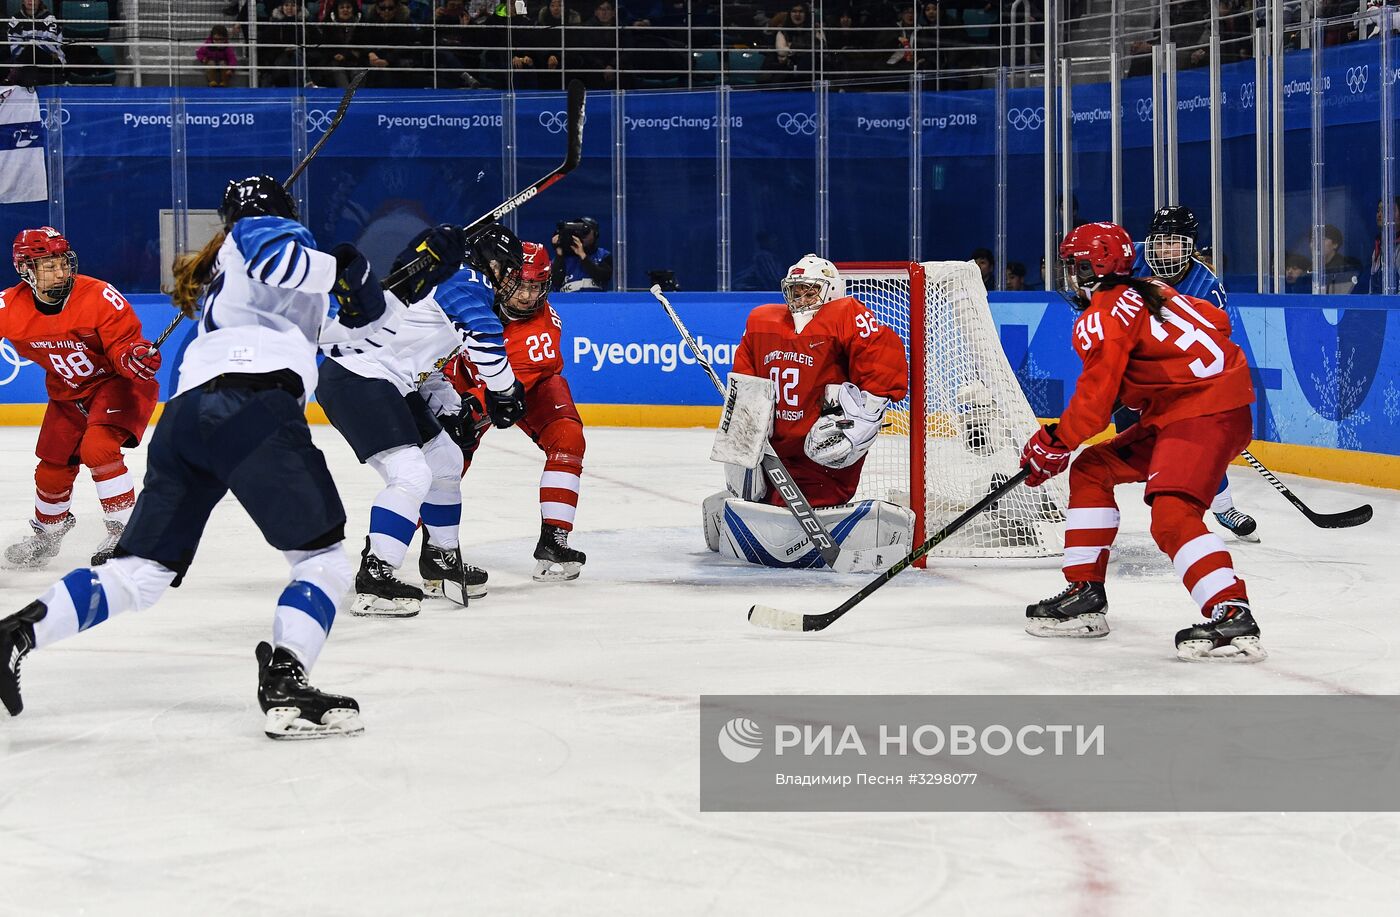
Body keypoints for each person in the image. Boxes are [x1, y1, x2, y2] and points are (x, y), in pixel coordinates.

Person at [0, 175, 399, 736]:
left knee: (138, 574)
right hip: (254, 407)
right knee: (322, 559)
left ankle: (15, 634)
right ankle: (286, 681)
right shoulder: (266, 235)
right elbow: (282, 258)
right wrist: (344, 269)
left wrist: (404, 278)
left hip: (188, 421)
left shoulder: (227, 279)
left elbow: (357, 326)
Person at [1020, 222, 1262, 662]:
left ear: (1091, 267)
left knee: (1172, 517)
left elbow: (1093, 408)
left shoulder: (1101, 316)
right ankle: (1085, 592)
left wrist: (1053, 441)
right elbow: (1217, 323)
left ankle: (1231, 612)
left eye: (1071, 265)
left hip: (1200, 414)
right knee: (1093, 468)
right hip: (1197, 409)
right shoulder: (1151, 289)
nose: (1067, 276)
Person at [317, 223, 527, 616]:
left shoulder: (444, 283)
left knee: (444, 461)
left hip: (384, 378)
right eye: (506, 268)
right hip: (358, 376)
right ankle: (376, 577)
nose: (508, 280)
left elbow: (418, 360)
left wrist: (450, 405)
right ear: (489, 262)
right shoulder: (463, 278)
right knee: (411, 473)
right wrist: (506, 390)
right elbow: (483, 336)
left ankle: (439, 561)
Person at [702, 255, 913, 568]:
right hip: (773, 453)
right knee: (755, 490)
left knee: (809, 499)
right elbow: (746, 388)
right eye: (795, 291)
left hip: (822, 454)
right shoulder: (762, 321)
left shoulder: (846, 315)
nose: (800, 299)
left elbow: (883, 361)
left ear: (830, 292)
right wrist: (744, 437)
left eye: (809, 291)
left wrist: (864, 417)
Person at [1, 228, 160, 570]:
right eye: (48, 265)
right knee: (51, 470)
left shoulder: (99, 296)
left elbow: (123, 344)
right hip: (68, 395)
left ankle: (126, 532)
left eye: (63, 262)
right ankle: (47, 535)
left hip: (117, 385)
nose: (60, 272)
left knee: (98, 448)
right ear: (25, 269)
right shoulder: (8, 307)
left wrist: (132, 356)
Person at [431, 241, 588, 581]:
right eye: (520, 284)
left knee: (567, 437)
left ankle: (554, 538)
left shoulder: (540, 330)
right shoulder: (470, 294)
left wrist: (471, 410)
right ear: (502, 277)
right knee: (442, 468)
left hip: (522, 386)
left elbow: (508, 387)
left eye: (536, 286)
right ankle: (429, 550)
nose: (528, 296)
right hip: (459, 380)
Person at [1132, 205, 1258, 542]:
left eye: (1175, 243)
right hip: (1128, 365)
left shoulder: (1206, 288)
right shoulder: (1132, 259)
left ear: (1190, 246)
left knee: (1193, 440)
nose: (1165, 250)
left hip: (1176, 371)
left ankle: (1221, 506)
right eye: (1160, 242)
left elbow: (1209, 349)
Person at [5, 0, 64, 86]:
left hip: (49, 60)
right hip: (24, 60)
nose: (31, 1)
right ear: (23, 1)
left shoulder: (49, 18)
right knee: (28, 53)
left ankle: (11, 78)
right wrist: (35, 42)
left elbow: (52, 45)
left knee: (30, 49)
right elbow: (14, 47)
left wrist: (30, 44)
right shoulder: (15, 19)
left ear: (39, 2)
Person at [550, 216, 613, 292]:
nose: (580, 235)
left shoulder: (603, 255)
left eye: (585, 231)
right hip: (569, 302)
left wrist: (583, 256)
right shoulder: (561, 259)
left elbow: (604, 277)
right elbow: (555, 283)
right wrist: (559, 252)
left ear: (595, 234)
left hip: (596, 302)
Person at [1353, 196, 1400, 295]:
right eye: (1378, 211)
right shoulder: (1378, 247)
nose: (1379, 215)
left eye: (1386, 211)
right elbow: (1373, 286)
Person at [1316, 224, 1361, 293]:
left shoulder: (1343, 268)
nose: (1318, 243)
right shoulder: (1312, 268)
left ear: (1335, 244)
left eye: (1323, 239)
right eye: (1315, 239)